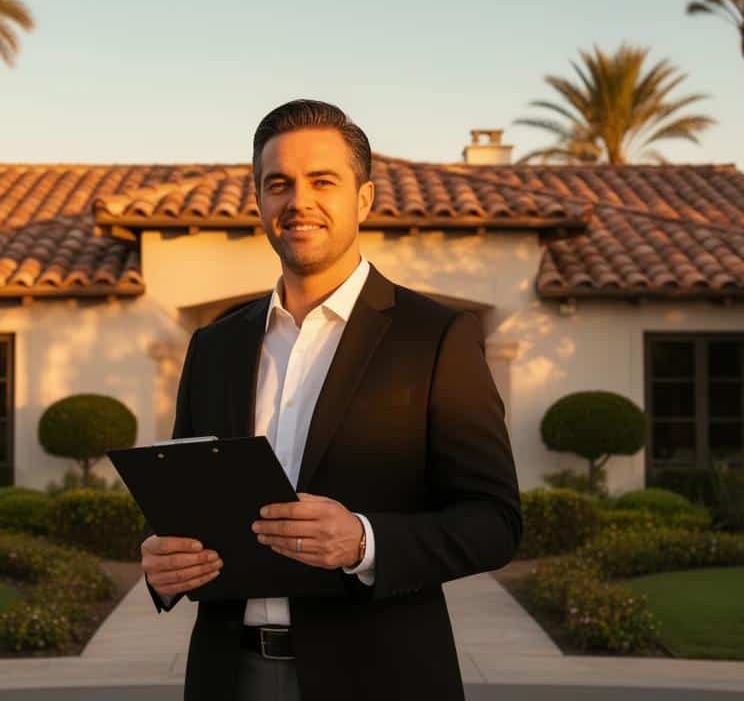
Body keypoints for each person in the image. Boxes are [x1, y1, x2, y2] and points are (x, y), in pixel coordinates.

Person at [139, 99, 522, 701]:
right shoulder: (212, 347)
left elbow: (495, 523)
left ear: (363, 199)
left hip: (382, 678)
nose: (299, 202)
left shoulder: (436, 337)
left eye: (323, 181)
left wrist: (365, 542)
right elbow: (186, 509)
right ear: (260, 200)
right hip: (228, 676)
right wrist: (164, 567)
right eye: (279, 184)